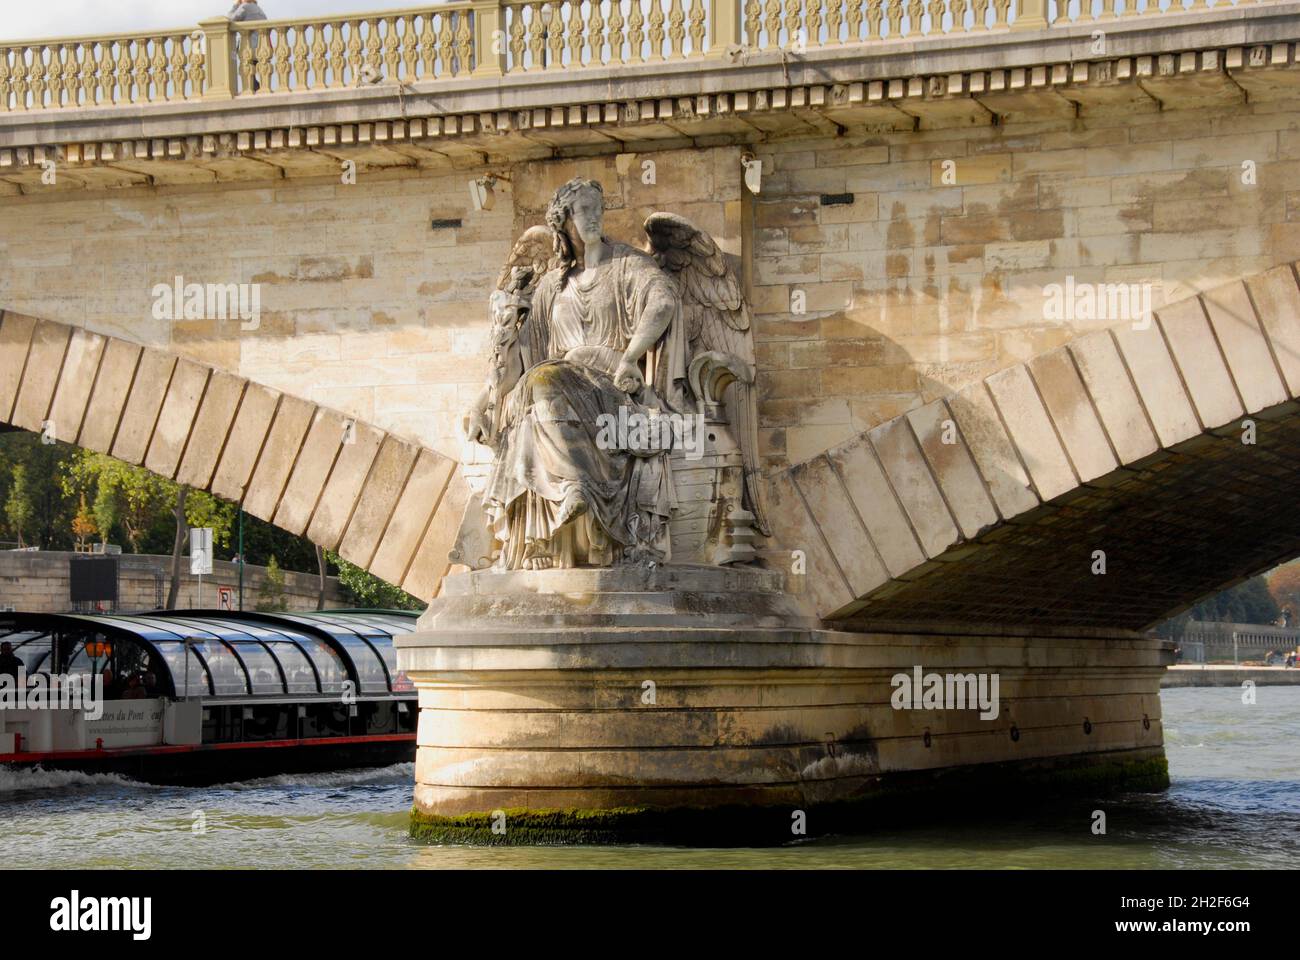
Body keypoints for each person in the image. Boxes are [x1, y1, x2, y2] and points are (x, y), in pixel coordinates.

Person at [227, 2, 269, 91]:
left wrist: (235, 5)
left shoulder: (245, 7)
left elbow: (229, 20)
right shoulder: (259, 9)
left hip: (250, 47)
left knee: (248, 72)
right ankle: (260, 90)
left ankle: (254, 91)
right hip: (262, 46)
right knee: (259, 73)